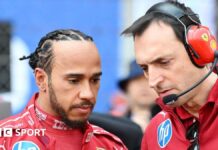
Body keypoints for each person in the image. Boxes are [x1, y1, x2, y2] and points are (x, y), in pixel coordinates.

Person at [0, 29, 127, 150]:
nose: (88, 94)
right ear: (41, 79)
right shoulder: (4, 140)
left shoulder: (110, 145)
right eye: (74, 81)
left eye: (94, 80)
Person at [122, 1, 218, 150]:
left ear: (199, 51)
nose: (152, 82)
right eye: (145, 68)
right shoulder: (154, 132)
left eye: (164, 62)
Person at [117, 60, 160, 132]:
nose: (143, 86)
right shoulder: (116, 126)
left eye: (148, 80)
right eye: (137, 81)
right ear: (127, 88)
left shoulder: (173, 123)